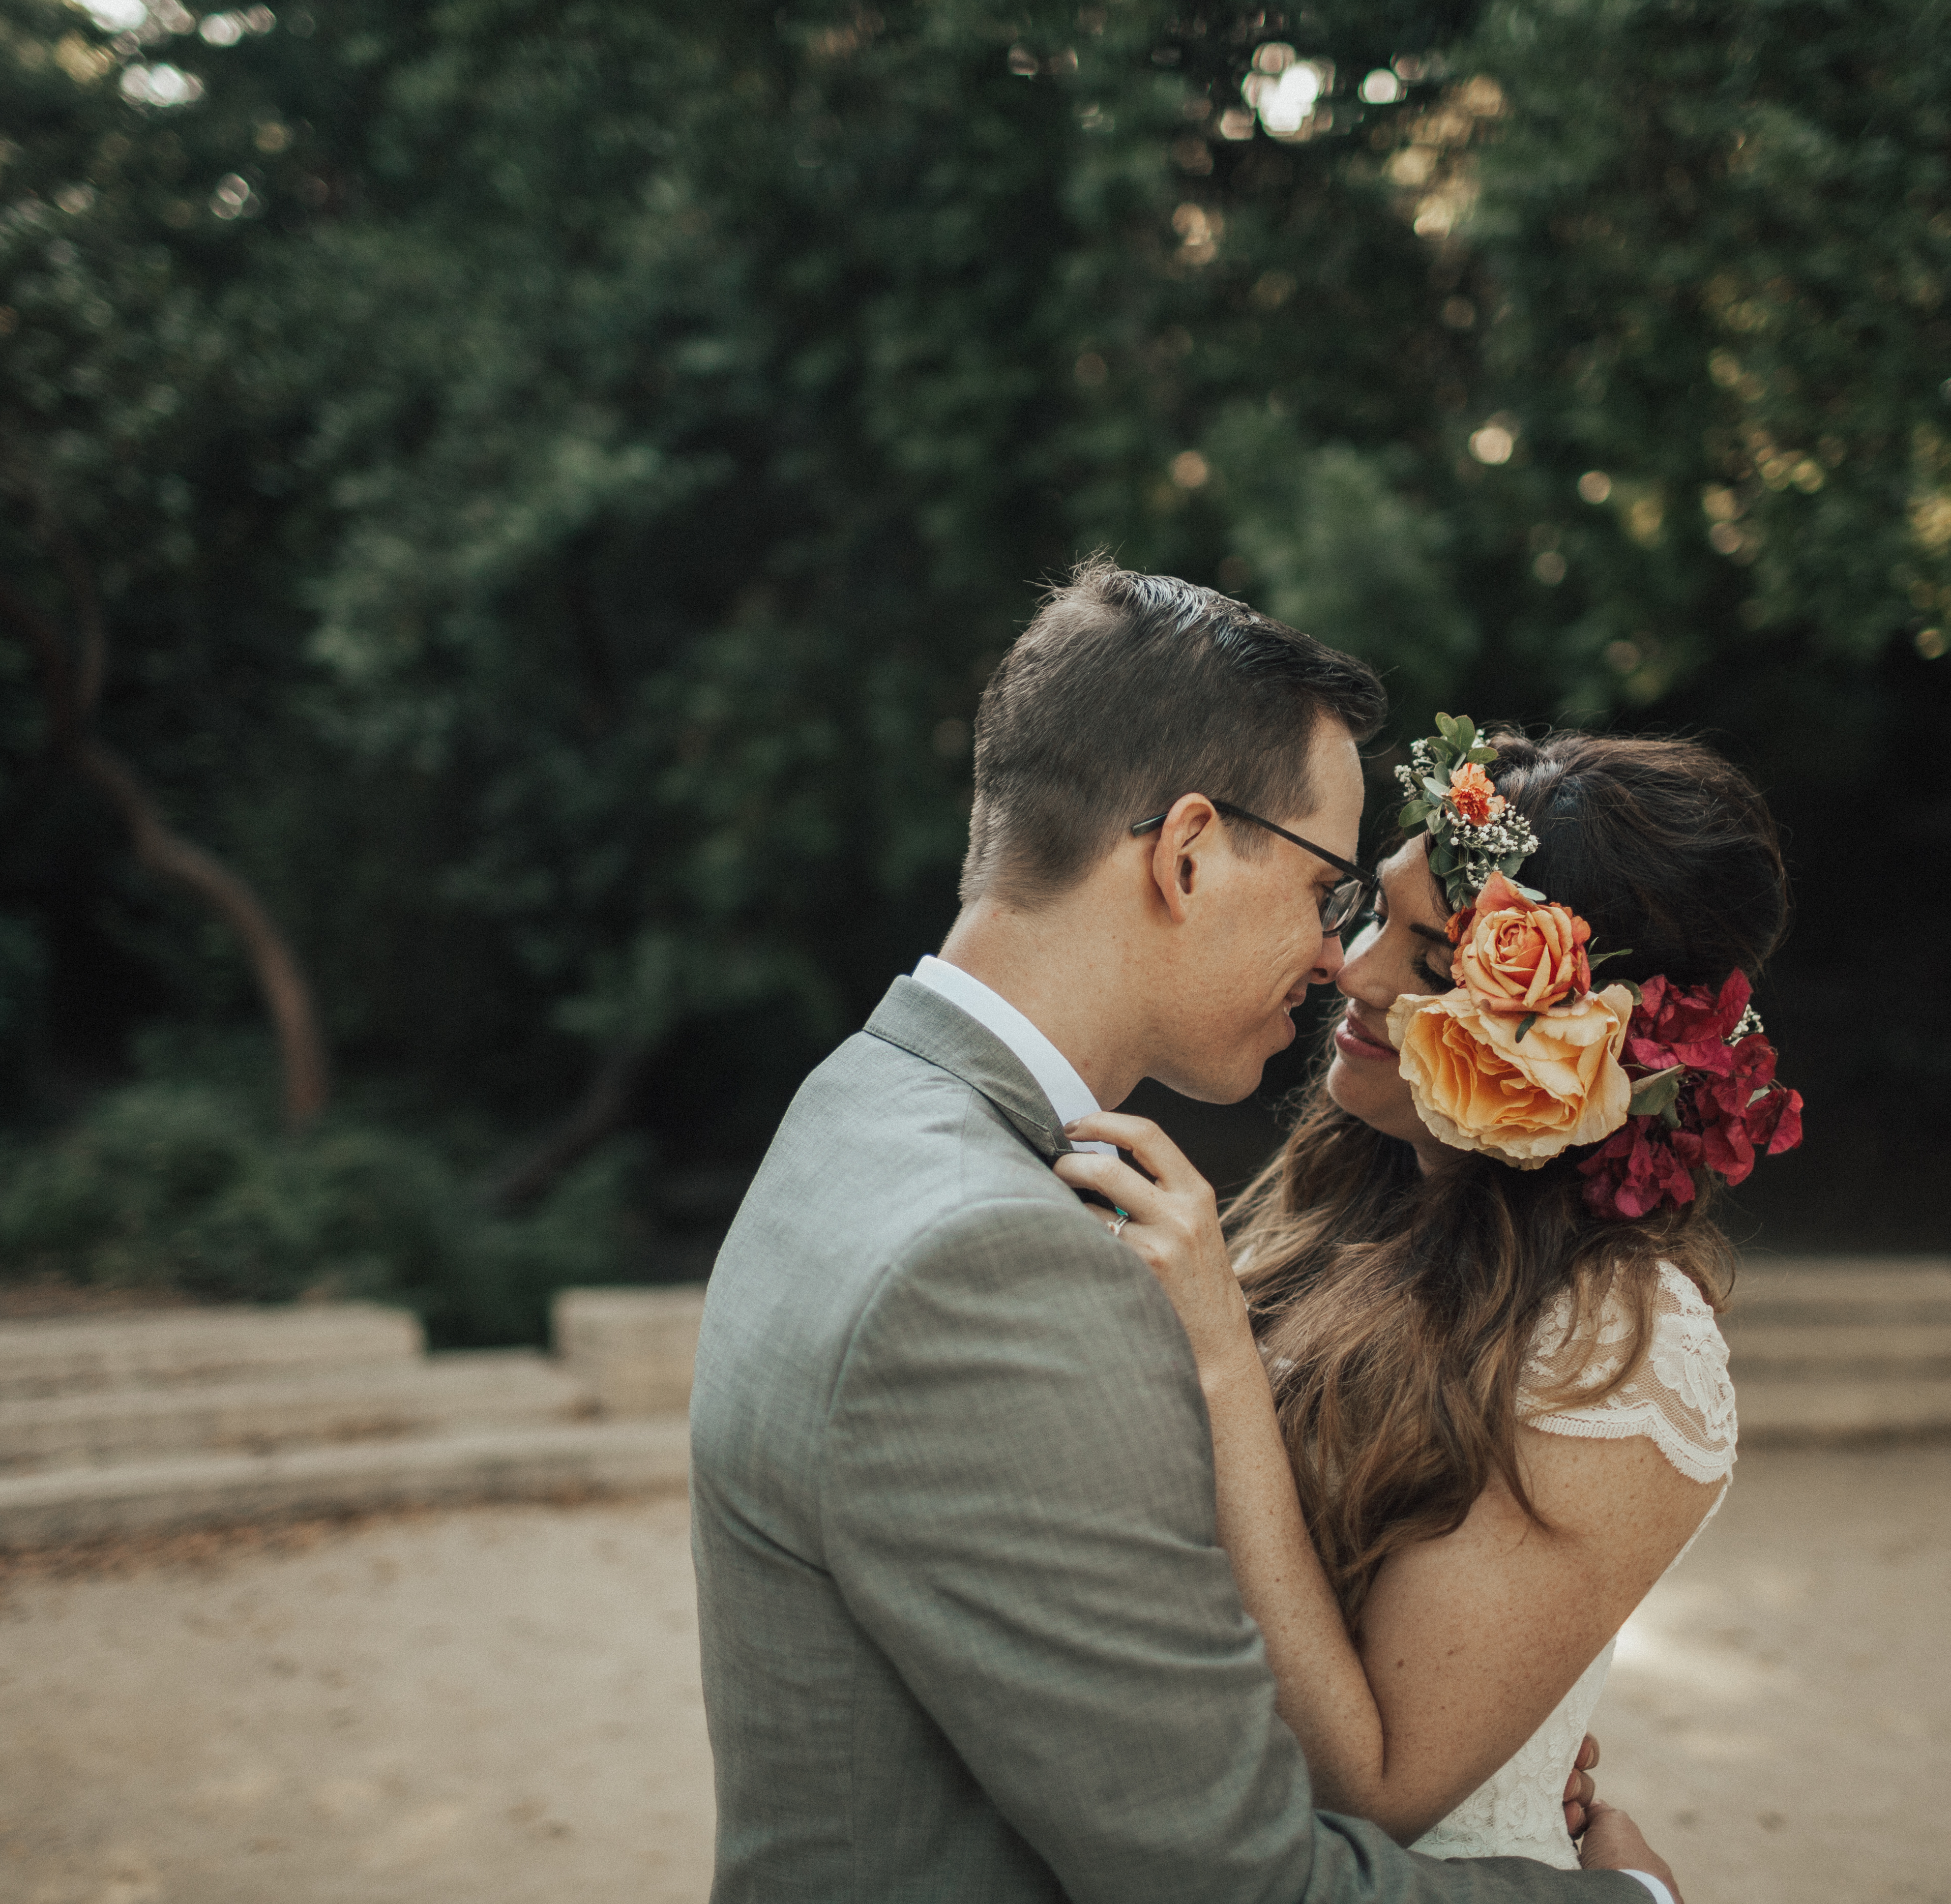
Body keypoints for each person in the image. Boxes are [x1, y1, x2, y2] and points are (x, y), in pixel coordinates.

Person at [689, 559, 1687, 1901]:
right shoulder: (989, 1264)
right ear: (1188, 851)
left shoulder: (858, 1105)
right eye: (1333, 890)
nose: (1341, 959)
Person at [1057, 724, 1801, 1867]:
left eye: (1431, 958)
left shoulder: (1621, 1344)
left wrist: (1216, 1347)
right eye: (1373, 914)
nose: (1350, 967)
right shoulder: (1355, 1187)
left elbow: (1377, 1789)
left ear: (1573, 1033)